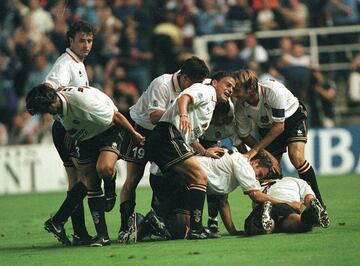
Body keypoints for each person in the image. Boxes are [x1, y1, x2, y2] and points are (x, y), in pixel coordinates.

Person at [25, 84, 145, 246]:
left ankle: (110, 187)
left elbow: (115, 117)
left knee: (104, 168)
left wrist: (134, 134)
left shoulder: (82, 102)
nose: (48, 114)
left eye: (47, 110)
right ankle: (103, 236)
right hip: (85, 137)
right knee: (91, 181)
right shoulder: (56, 106)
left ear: (52, 102)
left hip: (108, 130)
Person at [117, 56, 210, 242]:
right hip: (141, 129)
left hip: (164, 131)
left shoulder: (191, 88)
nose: (195, 88)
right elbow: (153, 116)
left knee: (168, 173)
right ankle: (124, 225)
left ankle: (156, 218)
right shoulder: (162, 84)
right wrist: (180, 112)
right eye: (193, 83)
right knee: (133, 178)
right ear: (184, 77)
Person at [128, 150, 302, 241]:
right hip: (175, 179)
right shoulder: (243, 164)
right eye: (259, 174)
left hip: (172, 178)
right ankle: (154, 219)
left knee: (180, 231)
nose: (256, 178)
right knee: (182, 232)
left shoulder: (233, 169)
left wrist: (233, 230)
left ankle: (144, 223)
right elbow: (256, 196)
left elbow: (222, 202)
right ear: (255, 162)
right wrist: (287, 203)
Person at [146, 71, 236, 239]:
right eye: (228, 84)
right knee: (200, 176)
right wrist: (184, 115)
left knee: (180, 226)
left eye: (233, 88)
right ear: (215, 82)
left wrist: (204, 151)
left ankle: (150, 223)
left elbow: (191, 137)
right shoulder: (205, 90)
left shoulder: (210, 107)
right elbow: (183, 98)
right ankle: (197, 228)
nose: (230, 89)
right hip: (168, 134)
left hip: (169, 141)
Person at [233, 70, 325, 207]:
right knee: (271, 170)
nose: (234, 94)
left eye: (237, 90)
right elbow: (245, 135)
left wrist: (255, 151)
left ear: (250, 88)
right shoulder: (239, 106)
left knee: (297, 158)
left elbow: (279, 127)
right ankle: (281, 209)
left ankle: (317, 204)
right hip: (267, 127)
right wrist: (267, 155)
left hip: (292, 118)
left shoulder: (272, 91)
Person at [43, 20, 98, 246]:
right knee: (88, 177)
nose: (86, 45)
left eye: (89, 40)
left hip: (67, 129)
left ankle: (79, 233)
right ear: (71, 41)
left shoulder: (78, 63)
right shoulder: (65, 64)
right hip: (68, 130)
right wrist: (67, 123)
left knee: (75, 180)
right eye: (82, 41)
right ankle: (58, 220)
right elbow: (48, 90)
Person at [244, 175, 330, 236]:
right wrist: (310, 205)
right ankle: (310, 217)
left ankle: (267, 222)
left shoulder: (256, 187)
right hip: (288, 208)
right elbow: (309, 197)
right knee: (297, 221)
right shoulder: (295, 181)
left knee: (259, 225)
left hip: (265, 206)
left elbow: (257, 197)